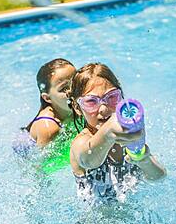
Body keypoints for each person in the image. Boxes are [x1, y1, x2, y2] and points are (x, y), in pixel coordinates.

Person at [68, 63, 165, 201]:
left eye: (111, 97)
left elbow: (158, 177)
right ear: (77, 107)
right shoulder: (82, 141)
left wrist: (142, 158)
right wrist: (107, 133)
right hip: (96, 221)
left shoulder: (125, 135)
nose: (103, 109)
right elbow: (88, 160)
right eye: (91, 101)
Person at [13, 58, 76, 156]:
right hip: (26, 148)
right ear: (47, 98)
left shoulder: (78, 107)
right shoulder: (48, 129)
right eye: (64, 88)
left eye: (76, 83)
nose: (73, 91)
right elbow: (36, 167)